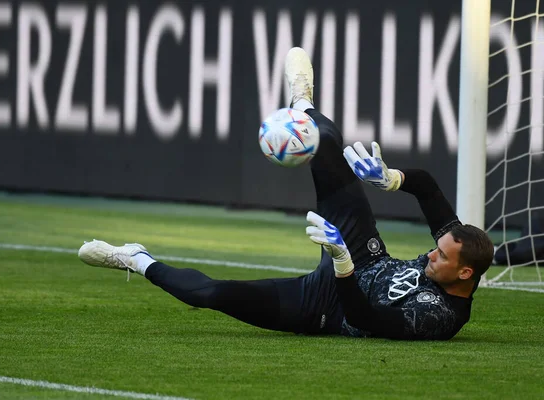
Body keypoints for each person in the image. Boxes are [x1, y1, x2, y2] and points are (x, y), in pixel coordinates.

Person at [78, 47, 494, 340]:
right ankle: (302, 103)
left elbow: (367, 318)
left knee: (212, 295)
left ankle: (135, 257)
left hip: (326, 307)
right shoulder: (461, 246)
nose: (431, 255)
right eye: (437, 247)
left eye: (441, 256)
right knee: (327, 146)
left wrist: (343, 264)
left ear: (464, 274)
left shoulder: (439, 316)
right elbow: (429, 188)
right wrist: (391, 179)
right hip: (368, 254)